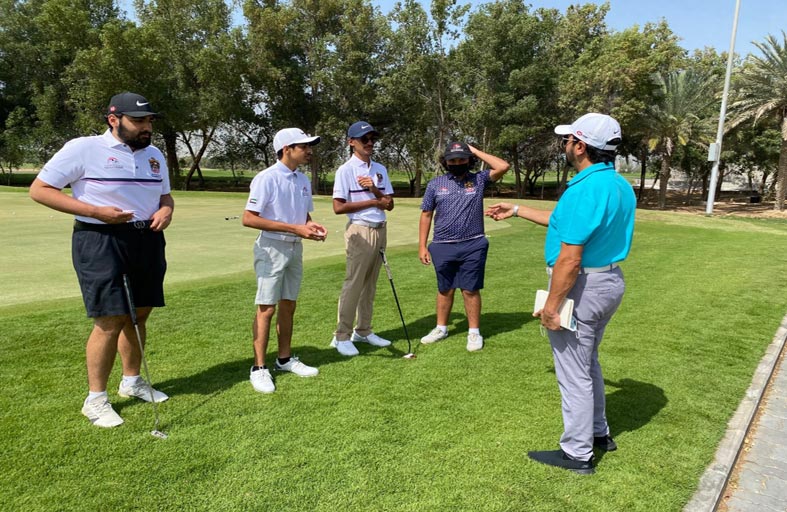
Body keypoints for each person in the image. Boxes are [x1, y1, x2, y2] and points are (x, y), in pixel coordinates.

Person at [485, 113, 636, 474]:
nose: (565, 145)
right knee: (588, 362)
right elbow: (565, 221)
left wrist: (552, 307)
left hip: (583, 286)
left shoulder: (585, 189)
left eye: (568, 140)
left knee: (573, 372)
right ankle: (599, 432)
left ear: (580, 146)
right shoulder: (617, 184)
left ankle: (577, 453)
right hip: (608, 282)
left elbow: (570, 258)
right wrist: (517, 209)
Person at [29, 92, 173, 428]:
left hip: (147, 239)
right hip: (100, 239)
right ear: (113, 119)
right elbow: (40, 190)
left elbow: (164, 196)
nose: (146, 127)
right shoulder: (83, 148)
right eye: (138, 121)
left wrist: (166, 210)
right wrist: (96, 211)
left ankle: (132, 381)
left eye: (149, 121)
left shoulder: (154, 155)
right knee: (109, 319)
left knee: (139, 314)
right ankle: (95, 400)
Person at [242, 127, 327, 393]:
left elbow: (304, 217)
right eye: (304, 146)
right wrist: (296, 229)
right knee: (267, 308)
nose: (309, 151)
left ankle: (284, 359)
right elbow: (249, 218)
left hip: (294, 248)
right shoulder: (266, 178)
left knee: (288, 304)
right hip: (271, 247)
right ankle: (259, 368)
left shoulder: (302, 180)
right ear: (287, 149)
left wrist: (311, 227)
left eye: (309, 146)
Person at [418, 142, 510, 352]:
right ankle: (441, 328)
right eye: (453, 160)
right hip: (442, 245)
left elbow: (503, 166)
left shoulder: (479, 180)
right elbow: (426, 214)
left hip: (473, 244)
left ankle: (474, 332)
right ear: (446, 162)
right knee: (445, 289)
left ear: (469, 160)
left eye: (462, 159)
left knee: (470, 289)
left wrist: (474, 150)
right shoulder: (435, 184)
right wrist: (422, 246)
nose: (457, 163)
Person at [329, 121, 394, 356]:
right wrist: (374, 201)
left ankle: (363, 330)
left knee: (370, 284)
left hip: (380, 229)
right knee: (354, 282)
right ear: (351, 142)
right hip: (360, 230)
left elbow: (389, 204)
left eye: (372, 139)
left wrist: (375, 190)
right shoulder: (345, 170)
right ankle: (341, 336)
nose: (369, 143)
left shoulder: (379, 169)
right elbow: (338, 207)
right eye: (364, 139)